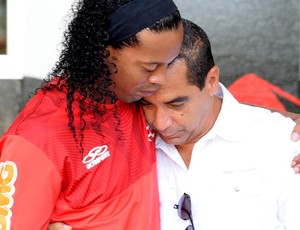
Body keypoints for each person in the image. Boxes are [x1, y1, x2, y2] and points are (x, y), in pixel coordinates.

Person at [0, 0, 184, 229]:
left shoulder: (146, 101)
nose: (161, 78)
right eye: (150, 67)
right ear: (102, 53)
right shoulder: (38, 140)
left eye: (169, 63)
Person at [140, 19, 300, 229]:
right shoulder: (126, 139)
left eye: (177, 104)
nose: (160, 122)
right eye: (146, 104)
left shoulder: (279, 141)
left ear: (211, 81)